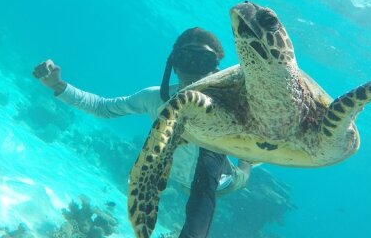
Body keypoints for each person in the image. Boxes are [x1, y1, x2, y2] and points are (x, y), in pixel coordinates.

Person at [33, 27, 253, 238]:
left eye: (202, 61)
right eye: (186, 59)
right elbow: (103, 107)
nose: (193, 69)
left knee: (241, 171)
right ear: (174, 66)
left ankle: (248, 162)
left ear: (216, 69)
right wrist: (58, 85)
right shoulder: (154, 98)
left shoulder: (230, 104)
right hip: (178, 179)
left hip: (223, 182)